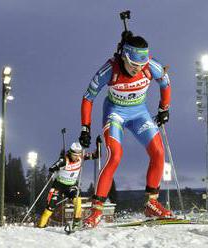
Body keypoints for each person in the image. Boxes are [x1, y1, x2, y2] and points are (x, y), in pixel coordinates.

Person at [79, 34, 172, 227]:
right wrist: (85, 128)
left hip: (139, 114)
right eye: (133, 65)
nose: (138, 69)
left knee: (158, 152)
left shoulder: (151, 66)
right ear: (123, 57)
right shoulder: (108, 70)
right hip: (116, 114)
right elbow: (88, 98)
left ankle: (151, 204)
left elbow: (165, 83)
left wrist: (164, 108)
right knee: (115, 156)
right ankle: (96, 210)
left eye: (141, 65)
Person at [37, 142, 98, 228]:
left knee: (77, 200)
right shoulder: (64, 160)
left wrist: (98, 146)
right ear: (70, 153)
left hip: (71, 186)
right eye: (74, 155)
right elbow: (53, 167)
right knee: (50, 206)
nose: (77, 157)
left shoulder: (81, 157)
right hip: (59, 186)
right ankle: (41, 225)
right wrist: (56, 167)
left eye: (78, 155)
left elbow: (95, 156)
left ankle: (76, 222)